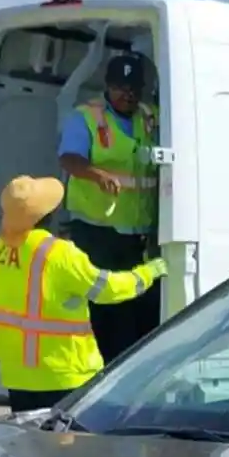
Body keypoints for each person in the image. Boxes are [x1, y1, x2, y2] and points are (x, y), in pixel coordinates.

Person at [0, 175, 165, 413]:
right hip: (64, 373)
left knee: (30, 445)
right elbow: (109, 289)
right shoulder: (59, 254)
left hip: (17, 375)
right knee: (66, 446)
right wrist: (150, 271)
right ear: (49, 214)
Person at [58, 51, 162, 362]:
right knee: (105, 306)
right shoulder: (87, 117)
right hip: (97, 230)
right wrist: (96, 174)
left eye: (133, 89)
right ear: (107, 86)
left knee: (140, 305)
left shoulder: (149, 116)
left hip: (139, 232)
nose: (127, 95)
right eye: (120, 88)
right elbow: (70, 159)